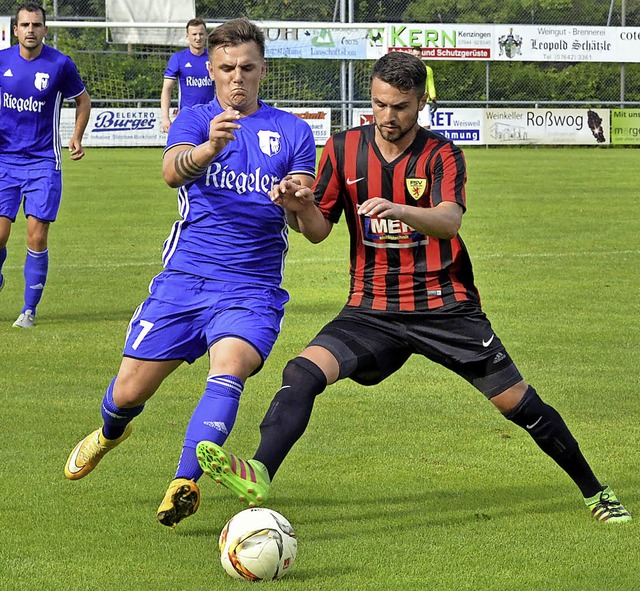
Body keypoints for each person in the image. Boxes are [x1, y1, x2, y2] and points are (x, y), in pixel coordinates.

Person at [196, 50, 632, 524]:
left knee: (518, 404)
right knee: (301, 373)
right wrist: (296, 205)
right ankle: (260, 470)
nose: (387, 116)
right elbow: (318, 230)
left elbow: (448, 221)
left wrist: (400, 209)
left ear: (420, 101)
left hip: (445, 307)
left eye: (399, 106)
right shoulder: (343, 149)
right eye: (379, 104)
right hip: (371, 307)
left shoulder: (442, 154)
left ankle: (596, 491)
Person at [64, 18, 317, 528]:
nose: (237, 78)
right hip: (185, 279)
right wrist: (209, 149)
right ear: (212, 69)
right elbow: (171, 171)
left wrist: (299, 202)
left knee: (229, 369)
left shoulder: (293, 130)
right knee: (129, 393)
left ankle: (184, 482)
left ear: (263, 70)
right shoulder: (195, 118)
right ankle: (111, 432)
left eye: (247, 68)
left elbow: (312, 227)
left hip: (252, 287)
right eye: (227, 68)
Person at [0, 2, 91, 328]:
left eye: (36, 25)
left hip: (42, 162)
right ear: (15, 30)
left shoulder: (59, 64)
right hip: (5, 160)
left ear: (45, 29)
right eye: (25, 25)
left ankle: (28, 310)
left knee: (36, 237)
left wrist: (76, 137)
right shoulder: (2, 62)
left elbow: (83, 99)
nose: (30, 30)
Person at [160, 18, 215, 133]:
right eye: (194, 34)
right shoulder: (178, 58)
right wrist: (165, 117)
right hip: (188, 116)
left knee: (214, 150)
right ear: (187, 36)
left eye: (201, 34)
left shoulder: (214, 57)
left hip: (211, 116)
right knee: (188, 150)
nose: (198, 38)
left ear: (206, 35)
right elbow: (167, 89)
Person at [410, 46, 437, 129]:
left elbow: (430, 84)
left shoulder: (427, 69)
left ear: (421, 56)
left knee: (426, 125)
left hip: (424, 101)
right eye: (414, 55)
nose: (416, 57)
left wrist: (433, 98)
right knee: (411, 125)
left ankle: (426, 142)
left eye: (418, 55)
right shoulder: (408, 69)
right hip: (411, 101)